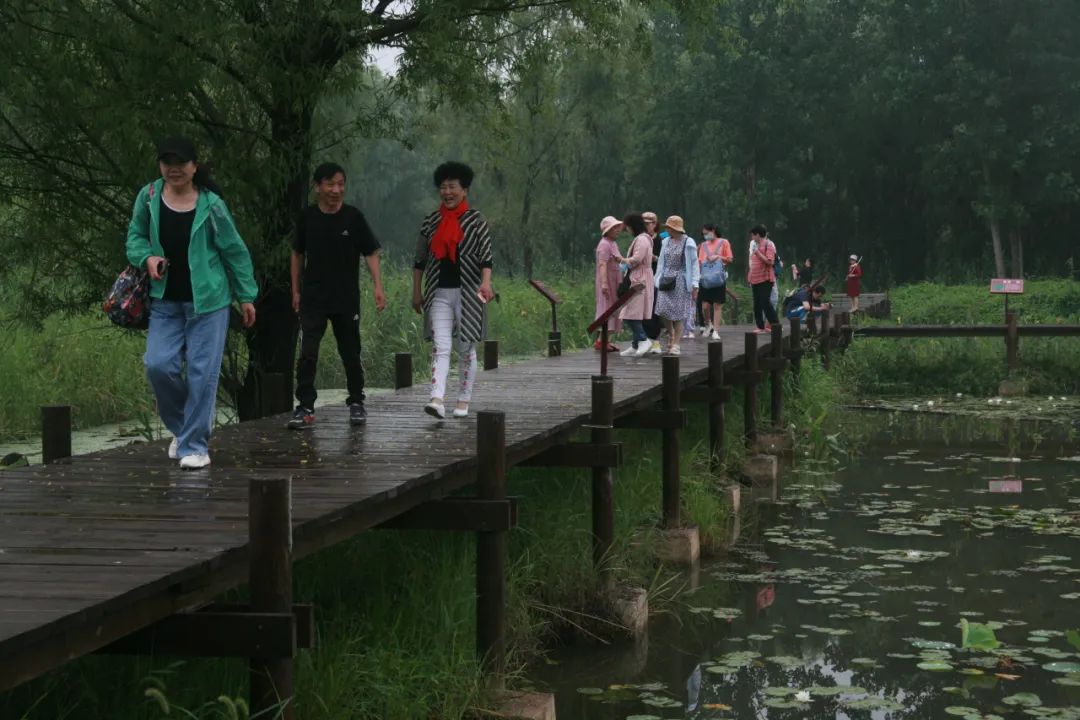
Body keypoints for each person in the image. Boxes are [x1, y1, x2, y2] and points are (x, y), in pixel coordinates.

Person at [127, 136, 257, 469]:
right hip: (164, 302)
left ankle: (195, 447)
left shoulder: (212, 205)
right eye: (167, 162)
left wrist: (246, 296)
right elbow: (135, 237)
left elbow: (235, 251)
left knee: (202, 374)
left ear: (194, 166)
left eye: (181, 163)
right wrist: (146, 258)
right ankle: (186, 430)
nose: (174, 169)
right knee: (158, 365)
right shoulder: (149, 197)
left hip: (209, 303)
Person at [288, 162, 386, 430]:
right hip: (313, 297)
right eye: (330, 184)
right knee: (308, 352)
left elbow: (371, 252)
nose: (336, 190)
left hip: (345, 298)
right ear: (317, 187)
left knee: (351, 351)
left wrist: (378, 286)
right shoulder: (307, 217)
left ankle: (357, 401)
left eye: (341, 184)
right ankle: (305, 407)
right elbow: (297, 254)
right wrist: (295, 290)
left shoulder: (353, 217)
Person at [412, 161, 495, 419]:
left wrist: (486, 282)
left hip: (469, 292)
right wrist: (416, 291)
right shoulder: (431, 221)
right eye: (443, 187)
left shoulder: (476, 220)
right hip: (438, 292)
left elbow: (486, 257)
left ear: (464, 190)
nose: (447, 192)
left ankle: (463, 399)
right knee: (441, 346)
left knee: (466, 347)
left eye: (452, 187)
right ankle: (436, 399)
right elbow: (419, 260)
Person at [654, 215, 699, 355]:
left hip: (680, 280)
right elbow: (661, 261)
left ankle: (676, 344)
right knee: (662, 309)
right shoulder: (665, 241)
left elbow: (694, 263)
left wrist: (695, 283)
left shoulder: (688, 242)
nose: (667, 230)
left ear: (675, 228)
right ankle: (671, 332)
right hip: (665, 278)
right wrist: (657, 277)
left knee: (679, 314)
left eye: (669, 227)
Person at [616, 213, 655, 357]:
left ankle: (643, 339)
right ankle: (635, 344)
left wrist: (622, 260)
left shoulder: (642, 239)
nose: (627, 230)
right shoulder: (643, 238)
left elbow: (637, 259)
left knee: (630, 313)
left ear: (632, 226)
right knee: (635, 312)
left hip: (640, 279)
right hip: (639, 276)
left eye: (628, 227)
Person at [697, 223, 733, 340]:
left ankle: (716, 331)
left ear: (713, 230)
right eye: (704, 234)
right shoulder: (703, 245)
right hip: (705, 278)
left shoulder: (724, 242)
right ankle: (708, 324)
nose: (705, 236)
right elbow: (700, 261)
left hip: (718, 278)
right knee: (705, 305)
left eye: (707, 233)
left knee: (717, 305)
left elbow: (730, 259)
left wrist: (718, 257)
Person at [594, 215, 624, 351]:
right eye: (614, 227)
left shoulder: (613, 243)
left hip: (615, 280)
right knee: (607, 308)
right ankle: (601, 341)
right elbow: (602, 264)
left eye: (618, 227)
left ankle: (605, 340)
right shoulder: (604, 244)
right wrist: (604, 284)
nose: (617, 230)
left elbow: (619, 260)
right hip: (607, 282)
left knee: (613, 308)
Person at [747, 224, 779, 334]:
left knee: (765, 302)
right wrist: (750, 275)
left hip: (765, 279)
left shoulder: (768, 245)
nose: (752, 237)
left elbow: (770, 262)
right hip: (755, 279)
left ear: (757, 235)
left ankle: (776, 325)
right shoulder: (754, 245)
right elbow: (753, 263)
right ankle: (760, 327)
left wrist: (758, 253)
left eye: (753, 235)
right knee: (757, 304)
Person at [641, 212, 665, 354]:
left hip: (656, 278)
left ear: (655, 224)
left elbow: (665, 259)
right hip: (641, 279)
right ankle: (642, 341)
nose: (646, 226)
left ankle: (656, 342)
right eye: (643, 223)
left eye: (648, 223)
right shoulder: (640, 239)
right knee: (641, 311)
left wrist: (654, 258)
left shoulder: (660, 241)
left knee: (654, 311)